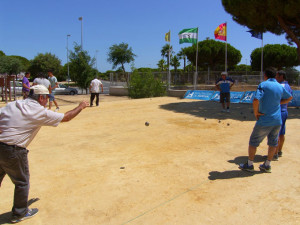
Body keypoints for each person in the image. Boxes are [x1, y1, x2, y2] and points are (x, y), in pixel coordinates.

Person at [0, 85, 88, 223]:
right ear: (41, 97)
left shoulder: (14, 104)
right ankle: (19, 213)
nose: (47, 101)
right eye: (47, 98)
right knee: (22, 182)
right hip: (14, 150)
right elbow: (65, 117)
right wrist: (80, 107)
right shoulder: (37, 111)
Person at [239, 68, 292, 173]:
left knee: (253, 141)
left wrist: (256, 113)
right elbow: (289, 97)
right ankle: (267, 165)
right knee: (273, 142)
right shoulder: (279, 86)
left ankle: (249, 164)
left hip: (265, 119)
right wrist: (278, 103)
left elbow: (255, 100)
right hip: (277, 119)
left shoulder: (263, 85)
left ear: (265, 75)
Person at [273, 70, 293, 160]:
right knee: (281, 133)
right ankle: (279, 151)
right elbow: (289, 99)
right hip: (284, 111)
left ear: (281, 76)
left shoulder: (281, 85)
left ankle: (275, 153)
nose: (275, 78)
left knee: (275, 133)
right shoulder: (288, 86)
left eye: (277, 76)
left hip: (279, 111)